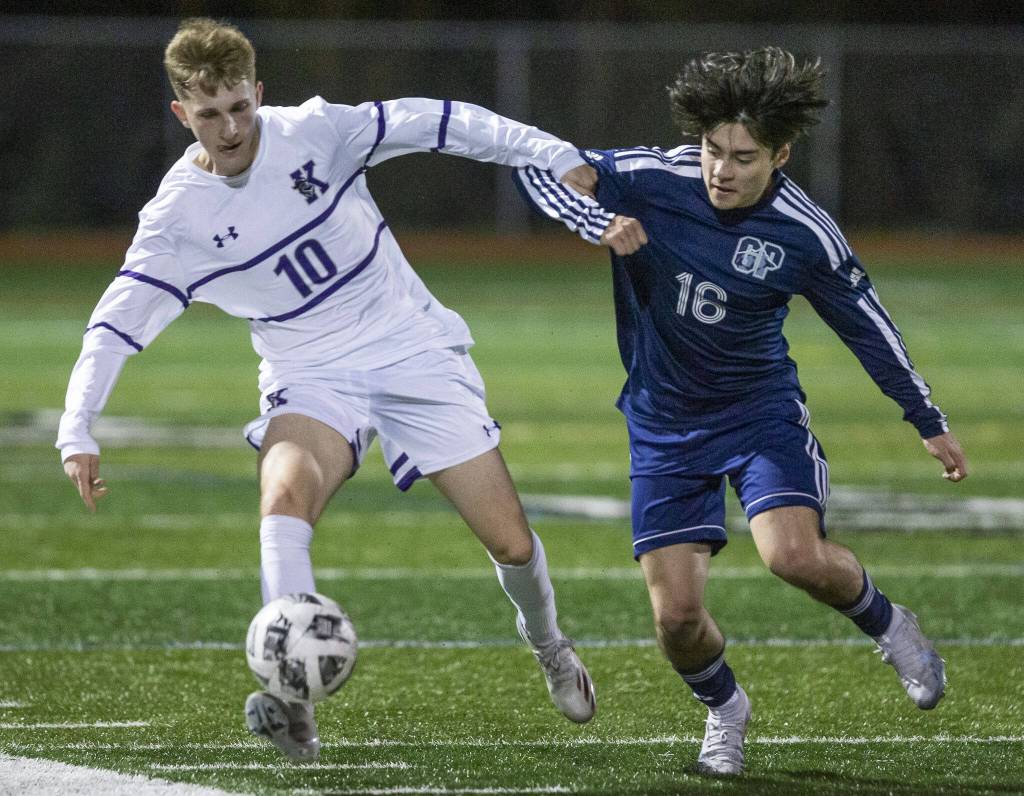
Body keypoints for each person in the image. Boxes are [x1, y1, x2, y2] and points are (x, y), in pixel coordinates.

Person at [57, 17, 598, 762]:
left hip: (411, 348)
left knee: (509, 539)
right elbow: (114, 324)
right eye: (209, 114)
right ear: (183, 114)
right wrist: (77, 426)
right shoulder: (177, 218)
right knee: (282, 496)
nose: (230, 126)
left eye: (240, 106)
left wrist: (550, 152)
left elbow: (441, 122)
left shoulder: (317, 131)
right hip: (309, 372)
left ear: (258, 93)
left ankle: (548, 644)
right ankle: (291, 696)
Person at [515, 47, 968, 776]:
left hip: (758, 414)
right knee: (677, 620)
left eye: (743, 156)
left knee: (793, 556)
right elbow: (539, 164)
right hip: (662, 424)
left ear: (781, 154)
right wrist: (588, 219)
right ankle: (725, 710)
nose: (721, 169)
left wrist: (926, 418)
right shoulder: (654, 178)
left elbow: (866, 323)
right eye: (713, 150)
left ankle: (890, 625)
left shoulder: (803, 232)